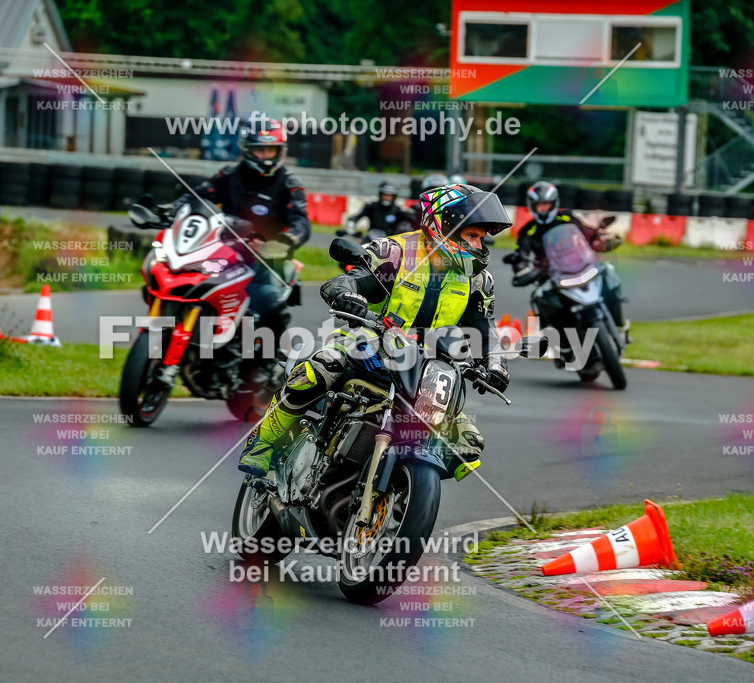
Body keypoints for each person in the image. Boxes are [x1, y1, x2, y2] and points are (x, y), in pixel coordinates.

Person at [239, 183, 512, 482]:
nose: (477, 245)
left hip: (429, 365)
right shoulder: (394, 251)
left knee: (467, 444)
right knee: (322, 367)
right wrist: (346, 294)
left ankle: (398, 489)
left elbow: (483, 329)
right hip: (371, 341)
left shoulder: (478, 281)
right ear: (443, 225)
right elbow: (346, 282)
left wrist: (495, 363)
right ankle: (263, 442)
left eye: (481, 238)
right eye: (471, 235)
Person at [167, 116, 310, 337]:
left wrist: (287, 240)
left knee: (267, 302)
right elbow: (198, 196)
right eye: (260, 150)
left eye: (271, 150)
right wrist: (172, 208)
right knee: (189, 283)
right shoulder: (230, 174)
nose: (265, 156)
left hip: (266, 257)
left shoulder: (289, 183)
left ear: (280, 151)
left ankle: (264, 360)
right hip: (222, 249)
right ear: (247, 149)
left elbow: (301, 221)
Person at [510, 180, 628, 366]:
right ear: (532, 206)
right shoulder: (528, 230)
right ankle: (563, 346)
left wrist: (600, 238)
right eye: (538, 205)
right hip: (550, 276)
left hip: (578, 266)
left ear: (554, 204)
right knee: (541, 299)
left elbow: (586, 234)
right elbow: (521, 255)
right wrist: (522, 270)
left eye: (546, 204)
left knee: (609, 272)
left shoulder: (567, 218)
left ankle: (619, 320)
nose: (542, 209)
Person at [343, 181, 415, 238]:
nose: (387, 198)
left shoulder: (399, 210)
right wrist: (350, 228)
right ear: (380, 194)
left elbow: (412, 220)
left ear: (394, 196)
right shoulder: (371, 206)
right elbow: (355, 217)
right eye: (385, 195)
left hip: (390, 242)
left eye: (389, 196)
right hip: (370, 239)